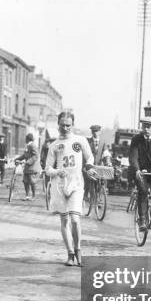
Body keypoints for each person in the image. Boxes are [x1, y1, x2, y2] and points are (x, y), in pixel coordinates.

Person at [45, 111, 96, 267]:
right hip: (59, 185)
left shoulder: (80, 141)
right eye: (62, 125)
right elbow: (47, 168)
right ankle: (70, 254)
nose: (65, 128)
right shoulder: (54, 145)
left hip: (76, 183)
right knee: (64, 219)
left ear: (72, 125)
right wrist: (56, 171)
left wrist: (89, 167)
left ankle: (78, 249)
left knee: (75, 219)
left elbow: (89, 157)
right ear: (58, 125)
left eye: (68, 125)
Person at [14, 133, 41, 200]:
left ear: (28, 139)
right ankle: (27, 196)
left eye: (26, 139)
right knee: (25, 181)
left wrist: (28, 162)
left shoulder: (33, 146)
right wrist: (17, 159)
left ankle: (33, 196)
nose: (25, 140)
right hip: (27, 167)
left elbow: (35, 156)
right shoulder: (28, 146)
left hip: (32, 167)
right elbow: (24, 155)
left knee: (32, 182)